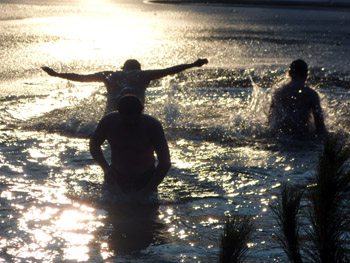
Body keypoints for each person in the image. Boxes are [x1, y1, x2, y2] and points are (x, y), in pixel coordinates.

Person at [42, 58, 208, 113]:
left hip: (112, 114)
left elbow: (82, 78)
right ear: (138, 69)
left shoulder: (110, 75)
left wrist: (57, 74)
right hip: (136, 114)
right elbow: (171, 70)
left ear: (124, 69)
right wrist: (193, 64)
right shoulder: (144, 75)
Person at [89, 94, 171, 197]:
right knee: (112, 211)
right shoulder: (108, 122)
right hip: (115, 177)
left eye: (134, 118)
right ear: (119, 113)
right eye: (126, 118)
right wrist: (105, 168)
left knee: (146, 212)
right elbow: (94, 145)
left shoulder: (152, 126)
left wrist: (148, 189)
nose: (131, 122)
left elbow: (165, 162)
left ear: (141, 112)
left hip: (146, 179)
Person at [269, 59, 326, 137]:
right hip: (302, 136)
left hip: (281, 136)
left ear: (289, 73)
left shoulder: (279, 93)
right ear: (306, 74)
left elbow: (270, 118)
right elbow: (319, 123)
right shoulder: (311, 94)